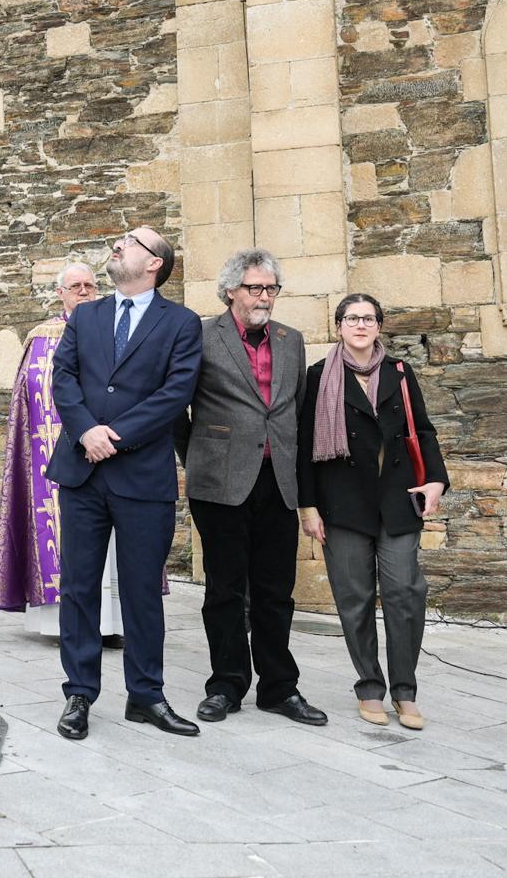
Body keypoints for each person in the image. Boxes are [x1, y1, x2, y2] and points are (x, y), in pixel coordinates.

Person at [48, 225, 202, 740]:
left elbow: (175, 391)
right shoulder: (86, 315)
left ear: (155, 262)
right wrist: (86, 430)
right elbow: (63, 377)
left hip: (142, 477)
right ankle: (79, 693)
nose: (118, 245)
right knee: (79, 587)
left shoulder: (180, 323)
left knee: (142, 591)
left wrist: (115, 435)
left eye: (132, 242)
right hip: (82, 472)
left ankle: (146, 695)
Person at [175, 248, 326, 728]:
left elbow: (296, 414)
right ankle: (226, 684)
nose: (265, 297)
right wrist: (197, 454)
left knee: (275, 590)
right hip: (219, 481)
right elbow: (176, 407)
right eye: (255, 288)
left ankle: (279, 688)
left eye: (271, 288)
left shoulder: (291, 340)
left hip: (277, 480)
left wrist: (304, 488)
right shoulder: (199, 336)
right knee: (224, 589)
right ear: (230, 291)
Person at [297, 294, 447, 730]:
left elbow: (422, 429)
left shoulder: (400, 372)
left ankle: (405, 690)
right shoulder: (318, 376)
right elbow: (305, 449)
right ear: (339, 325)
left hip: (398, 501)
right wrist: (308, 507)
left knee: (405, 593)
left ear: (379, 326)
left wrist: (436, 479)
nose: (360, 325)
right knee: (354, 599)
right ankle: (369, 686)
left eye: (368, 318)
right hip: (341, 504)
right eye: (351, 318)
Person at [0, 262, 137, 643]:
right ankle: (61, 624)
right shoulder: (42, 337)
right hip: (55, 454)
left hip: (111, 449)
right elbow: (31, 398)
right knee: (59, 538)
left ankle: (114, 625)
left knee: (114, 541)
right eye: (75, 286)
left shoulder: (117, 330)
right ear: (61, 293)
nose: (84, 291)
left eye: (90, 284)